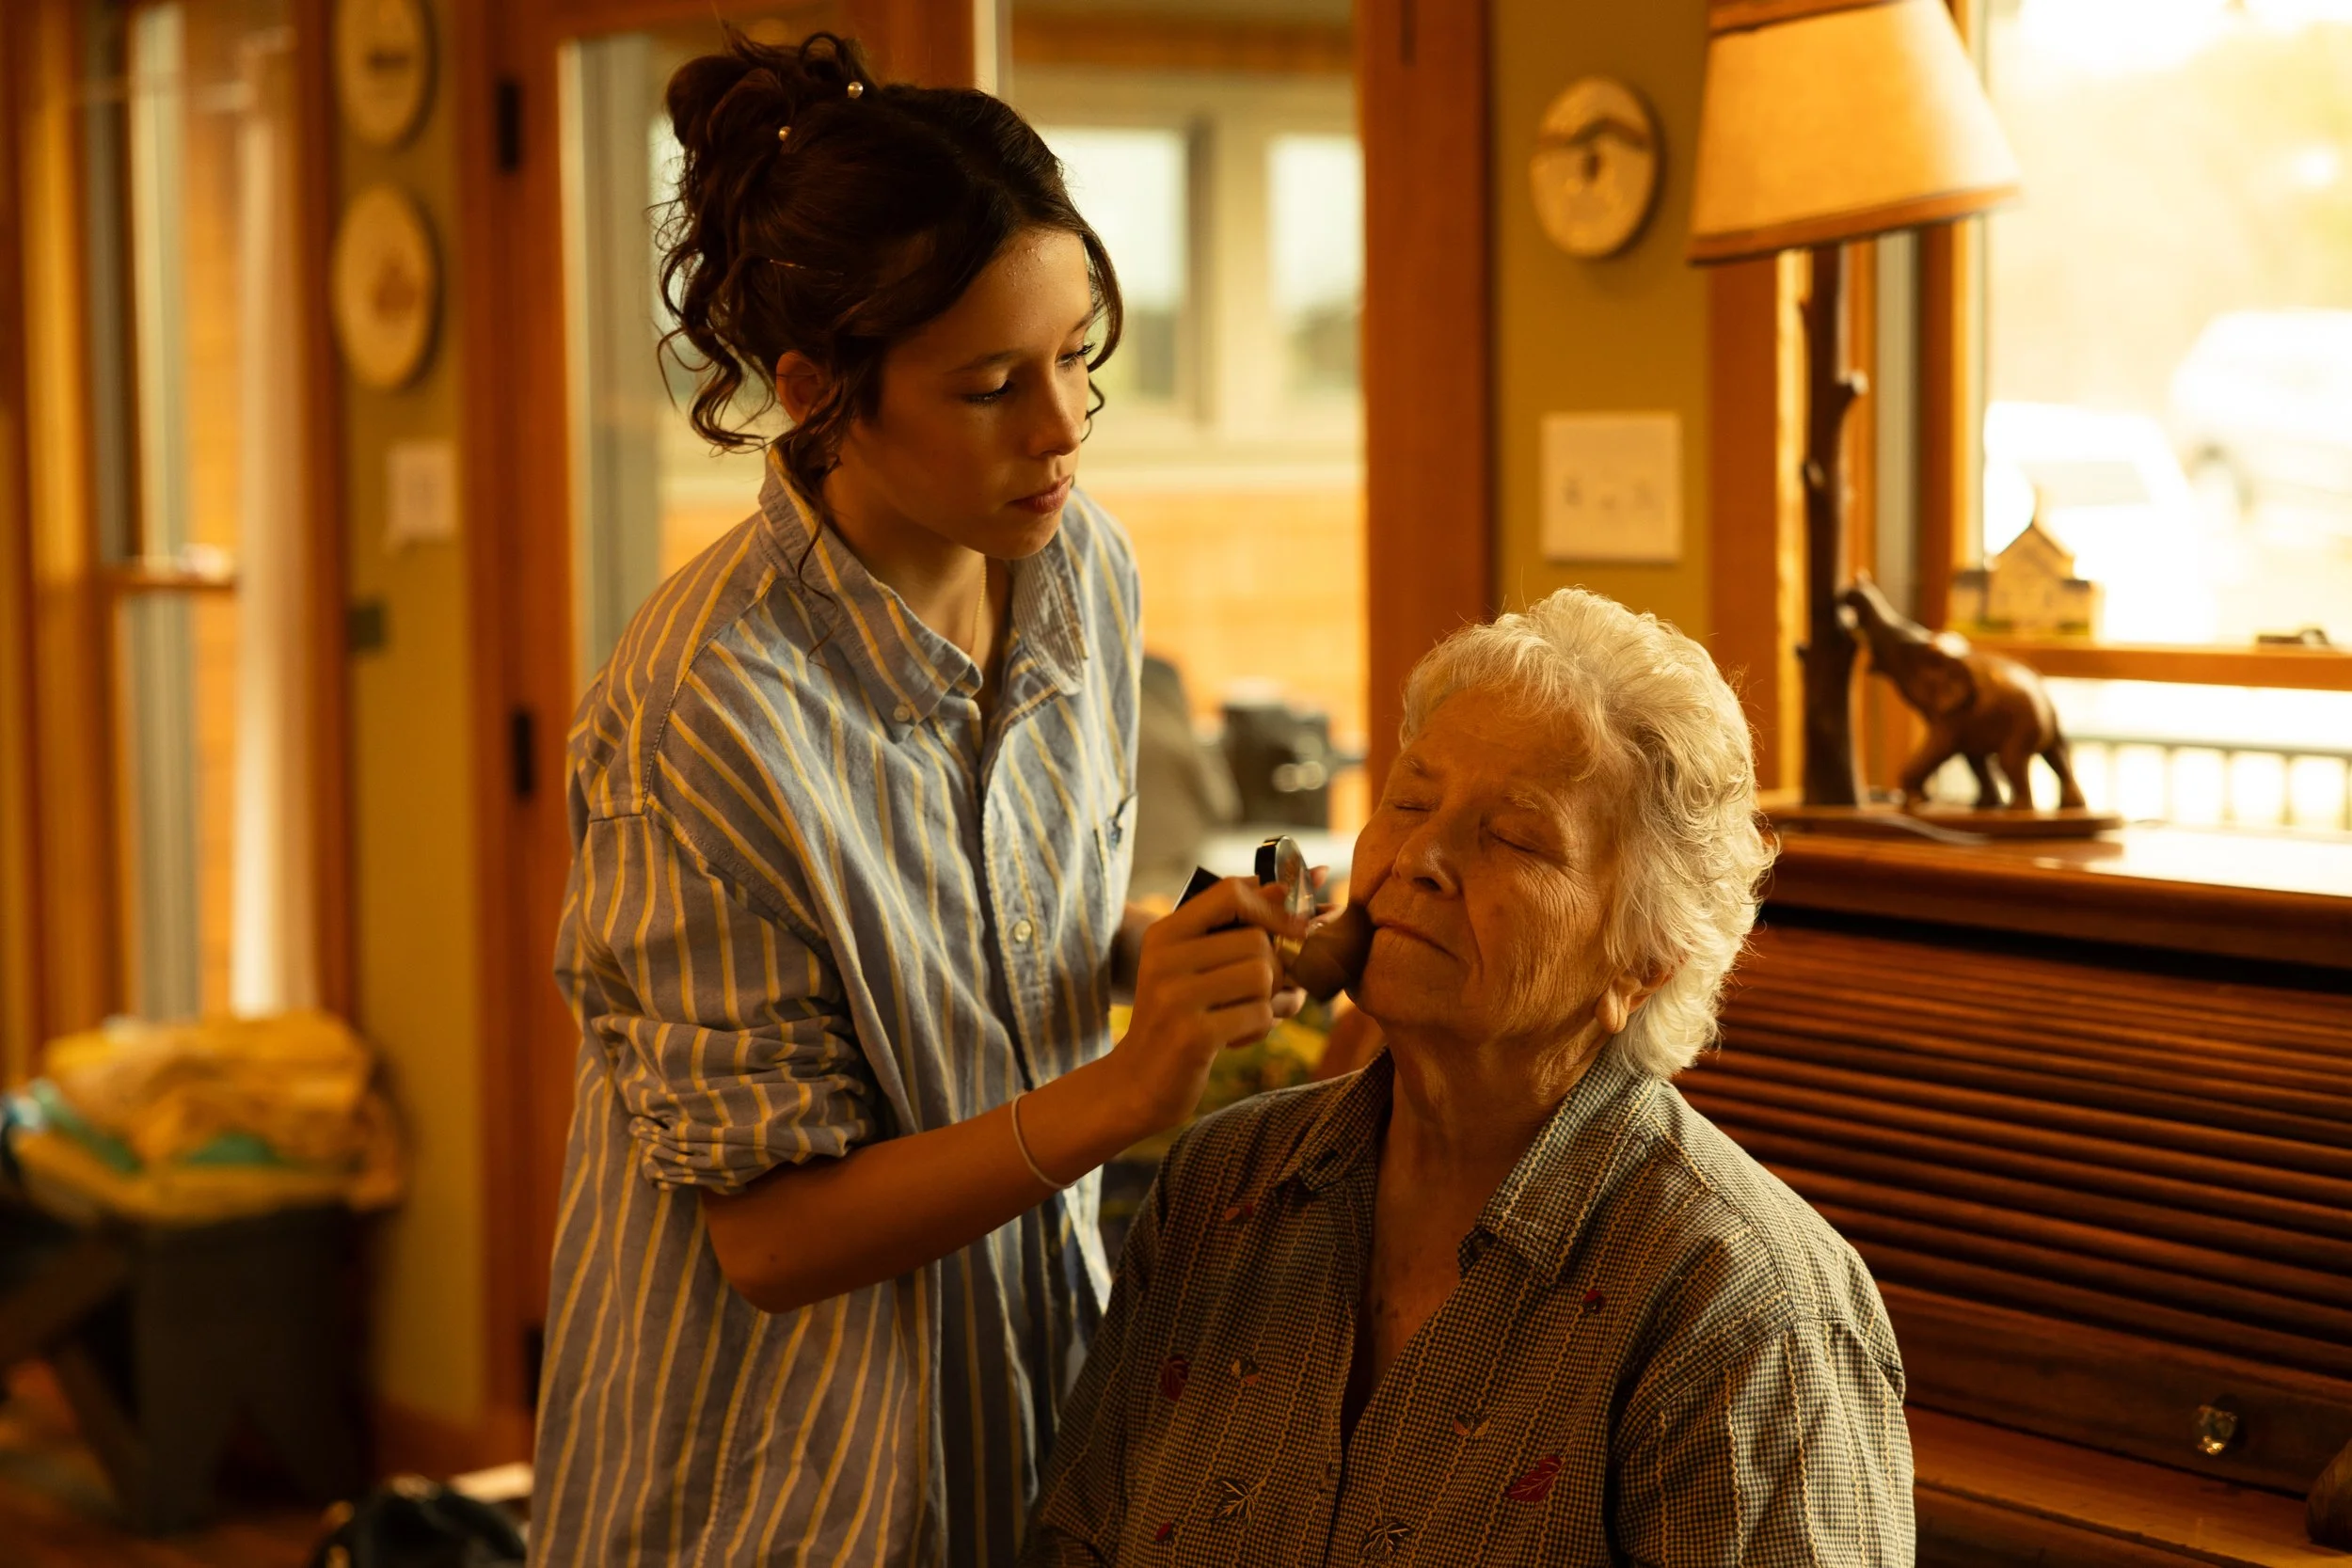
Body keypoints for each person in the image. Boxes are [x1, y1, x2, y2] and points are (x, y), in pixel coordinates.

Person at [528, 32, 1306, 1567]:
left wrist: (1189, 958)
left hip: (1026, 1399)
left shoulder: (1080, 570)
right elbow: (770, 1234)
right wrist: (1122, 1095)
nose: (1063, 424)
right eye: (991, 385)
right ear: (820, 392)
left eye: (1083, 352)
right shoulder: (704, 710)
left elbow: (1007, 954)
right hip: (775, 1484)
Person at [1025, 588, 1915, 1565]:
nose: (1421, 856)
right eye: (1409, 799)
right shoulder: (1222, 1186)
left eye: (1515, 837)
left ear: (1645, 959)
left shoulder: (1742, 1309)